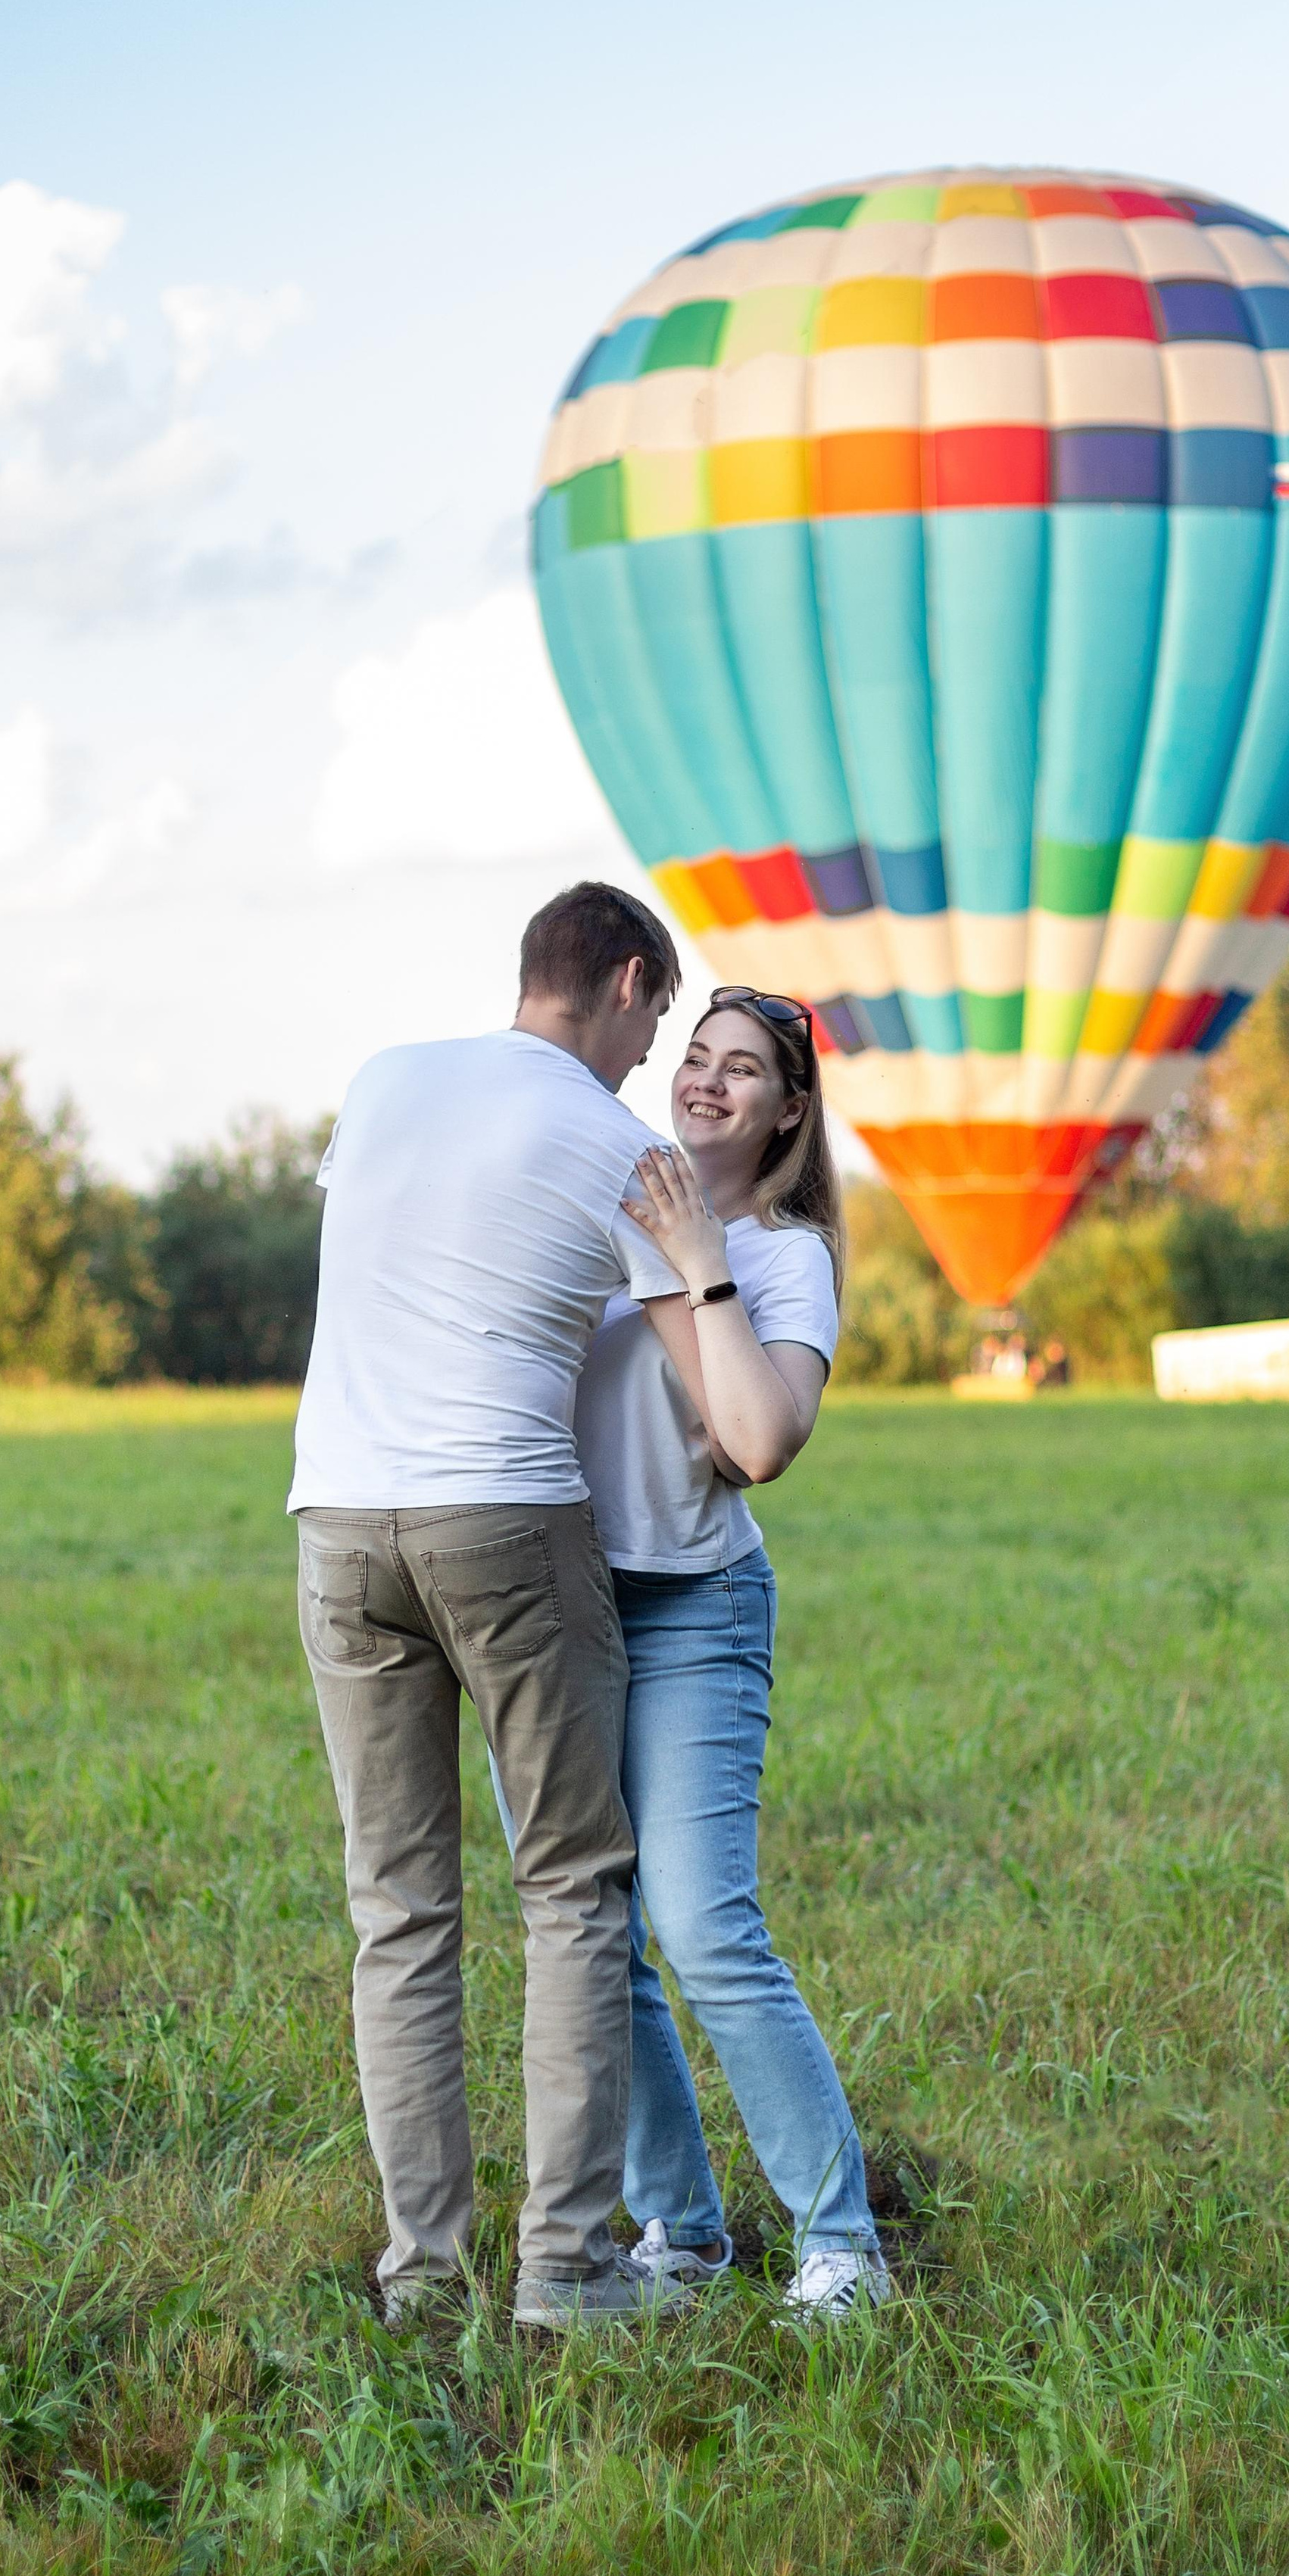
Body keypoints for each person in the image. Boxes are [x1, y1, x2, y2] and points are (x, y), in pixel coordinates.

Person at [290, 881, 701, 2334]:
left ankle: (421, 2279)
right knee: (575, 1889)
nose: (656, 1051)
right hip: (506, 1517)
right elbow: (698, 1370)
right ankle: (568, 2272)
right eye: (657, 1018)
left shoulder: (385, 1080)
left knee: (397, 1912)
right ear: (633, 981)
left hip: (337, 1518)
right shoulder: (624, 1143)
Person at [499, 985, 891, 2319]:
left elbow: (756, 1444)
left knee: (704, 1926)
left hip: (693, 1610)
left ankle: (842, 2243)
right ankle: (681, 2229)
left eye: (745, 1071)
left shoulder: (782, 1258)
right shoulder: (587, 1205)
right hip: (557, 1602)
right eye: (696, 1058)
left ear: (791, 1107)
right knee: (589, 1934)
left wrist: (687, 1256)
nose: (709, 1083)